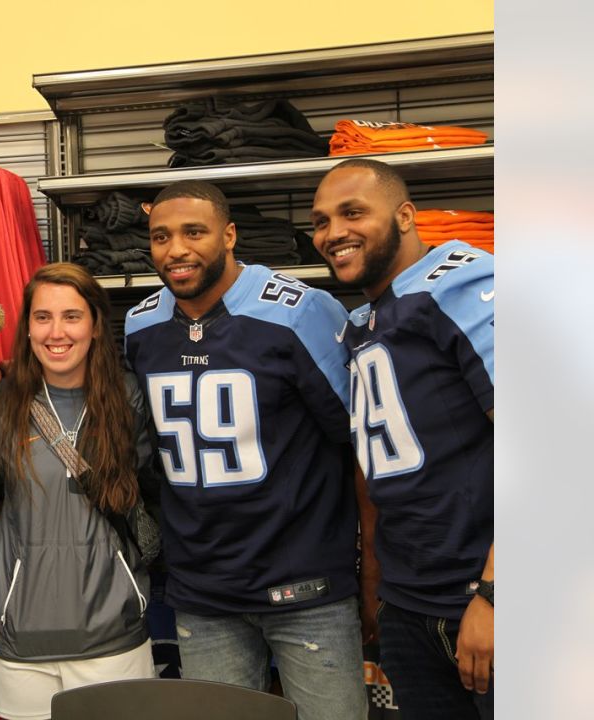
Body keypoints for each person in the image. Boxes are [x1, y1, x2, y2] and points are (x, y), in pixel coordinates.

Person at [123, 181, 368, 719]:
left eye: (194, 232)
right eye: (161, 237)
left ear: (229, 235)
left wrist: (368, 570)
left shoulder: (300, 311)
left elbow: (356, 441)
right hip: (202, 589)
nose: (176, 250)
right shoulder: (140, 325)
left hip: (306, 587)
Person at [311, 158, 493, 719]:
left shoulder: (463, 281)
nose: (333, 232)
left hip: (481, 592)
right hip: (410, 600)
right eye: (320, 221)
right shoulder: (364, 322)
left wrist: (495, 594)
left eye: (352, 212)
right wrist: (376, 585)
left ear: (406, 216)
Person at [0, 262, 159, 720]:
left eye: (71, 316)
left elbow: (152, 489)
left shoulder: (127, 398)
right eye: (42, 317)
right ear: (26, 327)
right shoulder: (5, 401)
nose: (56, 331)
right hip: (21, 636)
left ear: (95, 325)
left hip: (113, 635)